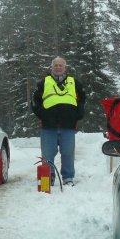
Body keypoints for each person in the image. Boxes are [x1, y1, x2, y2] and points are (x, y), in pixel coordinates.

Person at [31, 56, 86, 186]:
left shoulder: (74, 82)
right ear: (52, 67)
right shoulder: (43, 82)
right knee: (47, 154)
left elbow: (82, 99)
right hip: (48, 126)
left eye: (61, 65)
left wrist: (78, 114)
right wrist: (42, 114)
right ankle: (47, 177)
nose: (58, 67)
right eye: (55, 65)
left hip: (68, 125)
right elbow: (35, 101)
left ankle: (68, 177)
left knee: (68, 153)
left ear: (65, 67)